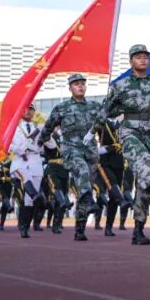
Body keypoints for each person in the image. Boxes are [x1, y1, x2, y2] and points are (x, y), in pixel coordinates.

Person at [89, 28, 150, 246]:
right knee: (142, 164)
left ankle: (139, 229)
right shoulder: (120, 85)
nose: (142, 59)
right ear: (131, 61)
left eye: (145, 57)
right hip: (129, 130)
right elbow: (106, 110)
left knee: (143, 184)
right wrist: (91, 130)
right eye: (138, 57)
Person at [39, 74, 104, 242]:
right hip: (71, 149)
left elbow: (105, 122)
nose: (80, 86)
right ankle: (89, 201)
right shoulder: (62, 108)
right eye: (76, 84)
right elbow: (48, 126)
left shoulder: (95, 106)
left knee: (85, 188)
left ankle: (80, 229)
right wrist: (41, 140)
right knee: (82, 173)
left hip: (90, 152)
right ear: (70, 88)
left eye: (82, 83)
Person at [10, 104, 45, 239]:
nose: (29, 112)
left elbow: (45, 146)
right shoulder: (14, 128)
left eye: (31, 109)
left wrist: (46, 133)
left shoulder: (39, 128)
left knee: (29, 201)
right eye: (26, 109)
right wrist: (17, 149)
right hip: (20, 160)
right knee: (25, 178)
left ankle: (24, 227)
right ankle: (36, 196)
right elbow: (6, 145)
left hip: (35, 160)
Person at [96, 118, 128, 237]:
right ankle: (122, 201)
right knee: (112, 184)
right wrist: (105, 149)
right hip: (105, 162)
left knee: (113, 197)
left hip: (119, 163)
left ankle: (108, 227)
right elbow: (91, 140)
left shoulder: (123, 124)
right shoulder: (101, 122)